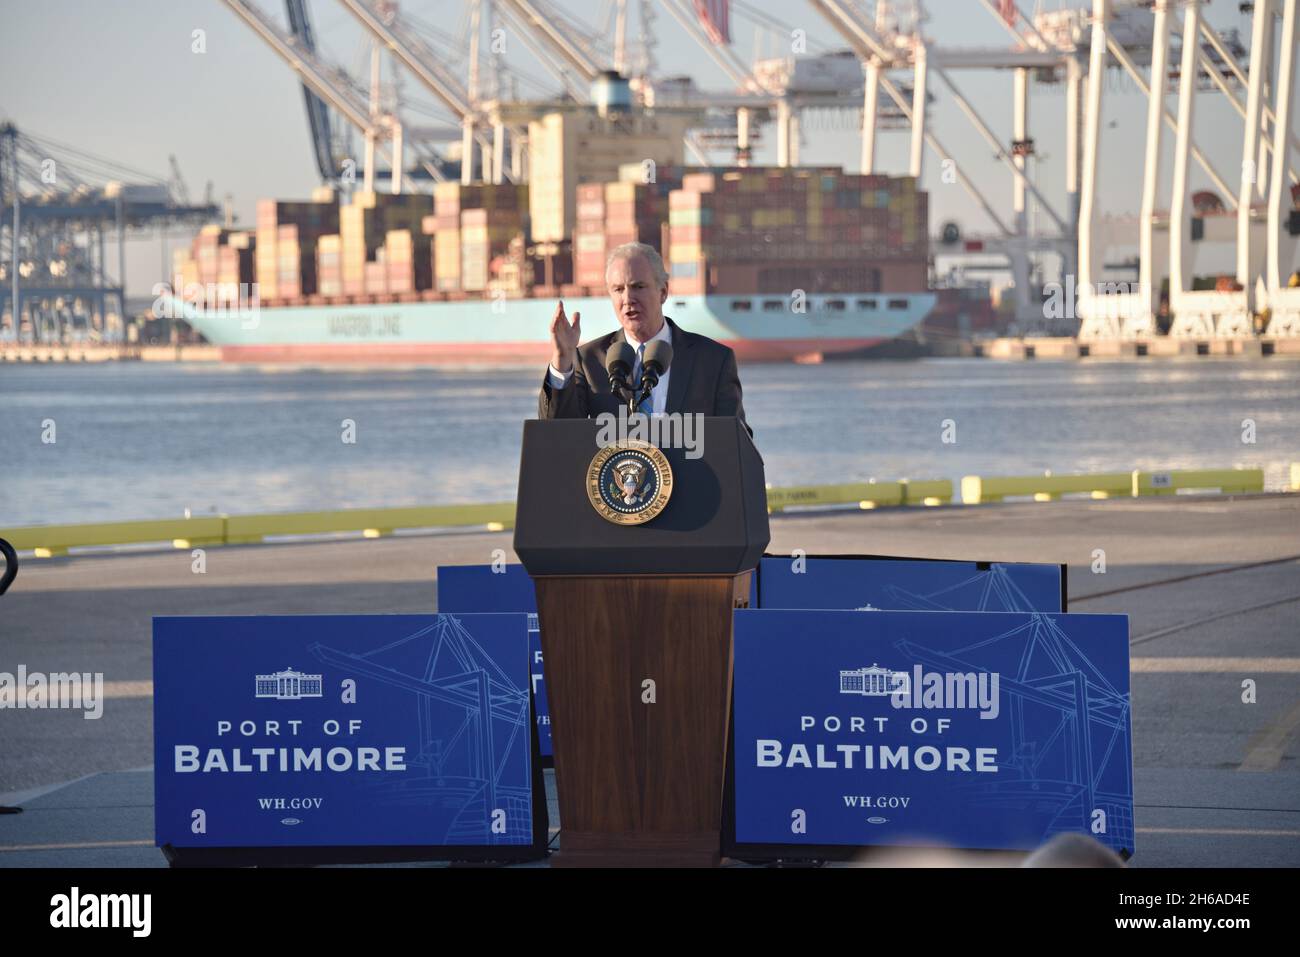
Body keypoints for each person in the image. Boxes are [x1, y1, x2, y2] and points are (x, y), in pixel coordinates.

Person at [538, 242, 752, 437]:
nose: (628, 299)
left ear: (663, 292)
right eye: (618, 289)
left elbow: (737, 441)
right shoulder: (587, 360)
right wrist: (562, 359)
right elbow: (556, 435)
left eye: (638, 287)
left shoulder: (713, 360)